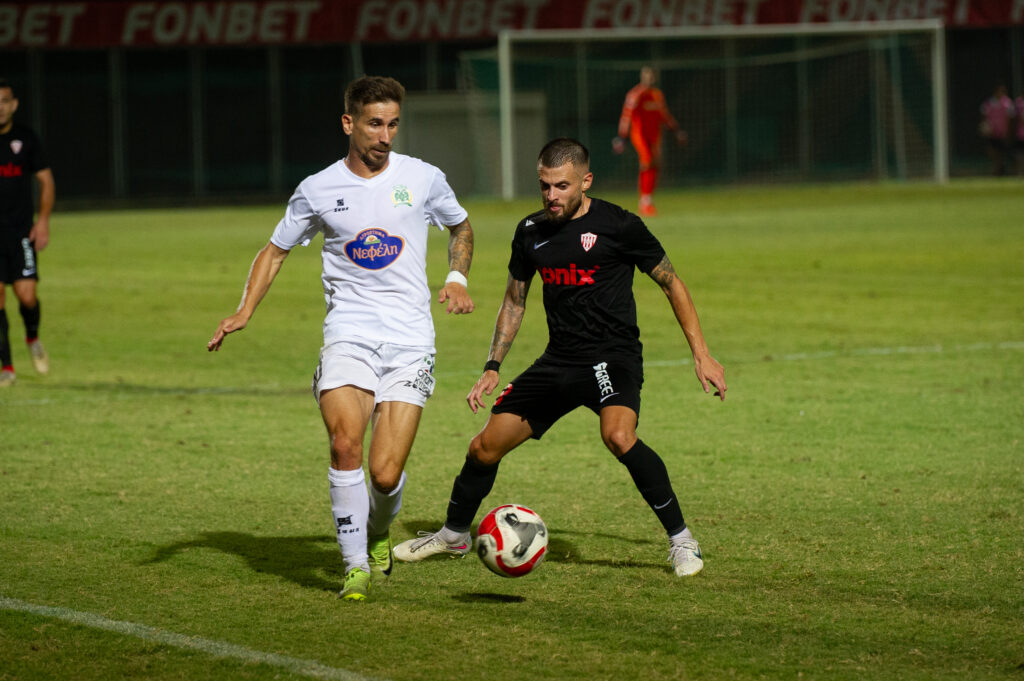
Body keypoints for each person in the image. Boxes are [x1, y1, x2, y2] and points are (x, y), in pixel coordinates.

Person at [393, 138, 726, 578]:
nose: (551, 196)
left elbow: (672, 283)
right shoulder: (530, 231)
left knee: (618, 436)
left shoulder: (619, 225)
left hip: (612, 357)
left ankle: (682, 540)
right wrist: (492, 366)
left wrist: (702, 355)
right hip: (559, 361)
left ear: (585, 182)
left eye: (562, 186)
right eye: (544, 185)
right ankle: (453, 535)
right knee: (483, 447)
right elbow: (515, 300)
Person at [207, 76, 475, 601]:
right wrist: (244, 310)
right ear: (349, 123)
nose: (385, 136)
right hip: (349, 335)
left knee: (385, 473)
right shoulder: (318, 189)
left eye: (393, 124)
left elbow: (460, 226)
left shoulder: (422, 178)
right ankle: (354, 567)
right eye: (375, 124)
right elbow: (275, 250)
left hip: (410, 341)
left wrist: (456, 277)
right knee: (345, 443)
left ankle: (376, 531)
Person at [0, 79, 54, 387]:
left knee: (27, 296)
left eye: (4, 101)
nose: (0, 107)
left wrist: (43, 220)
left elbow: (46, 181)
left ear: (14, 104)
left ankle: (32, 337)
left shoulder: (26, 138)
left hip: (20, 231)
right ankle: (6, 367)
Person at [612, 66, 687, 217]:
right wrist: (622, 137)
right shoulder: (635, 95)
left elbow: (664, 115)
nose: (650, 79)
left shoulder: (657, 95)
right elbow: (626, 116)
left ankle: (648, 200)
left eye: (652, 76)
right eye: (647, 76)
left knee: (655, 164)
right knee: (647, 161)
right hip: (640, 135)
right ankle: (644, 202)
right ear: (642, 77)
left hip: (655, 136)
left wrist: (676, 130)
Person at [979, 85, 1014, 176]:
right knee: (992, 152)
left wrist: (1008, 132)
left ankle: (1000, 169)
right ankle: (997, 168)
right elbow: (984, 117)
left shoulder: (1007, 103)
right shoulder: (988, 103)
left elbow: (1010, 119)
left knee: (1002, 153)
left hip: (1003, 133)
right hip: (991, 133)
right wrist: (984, 128)